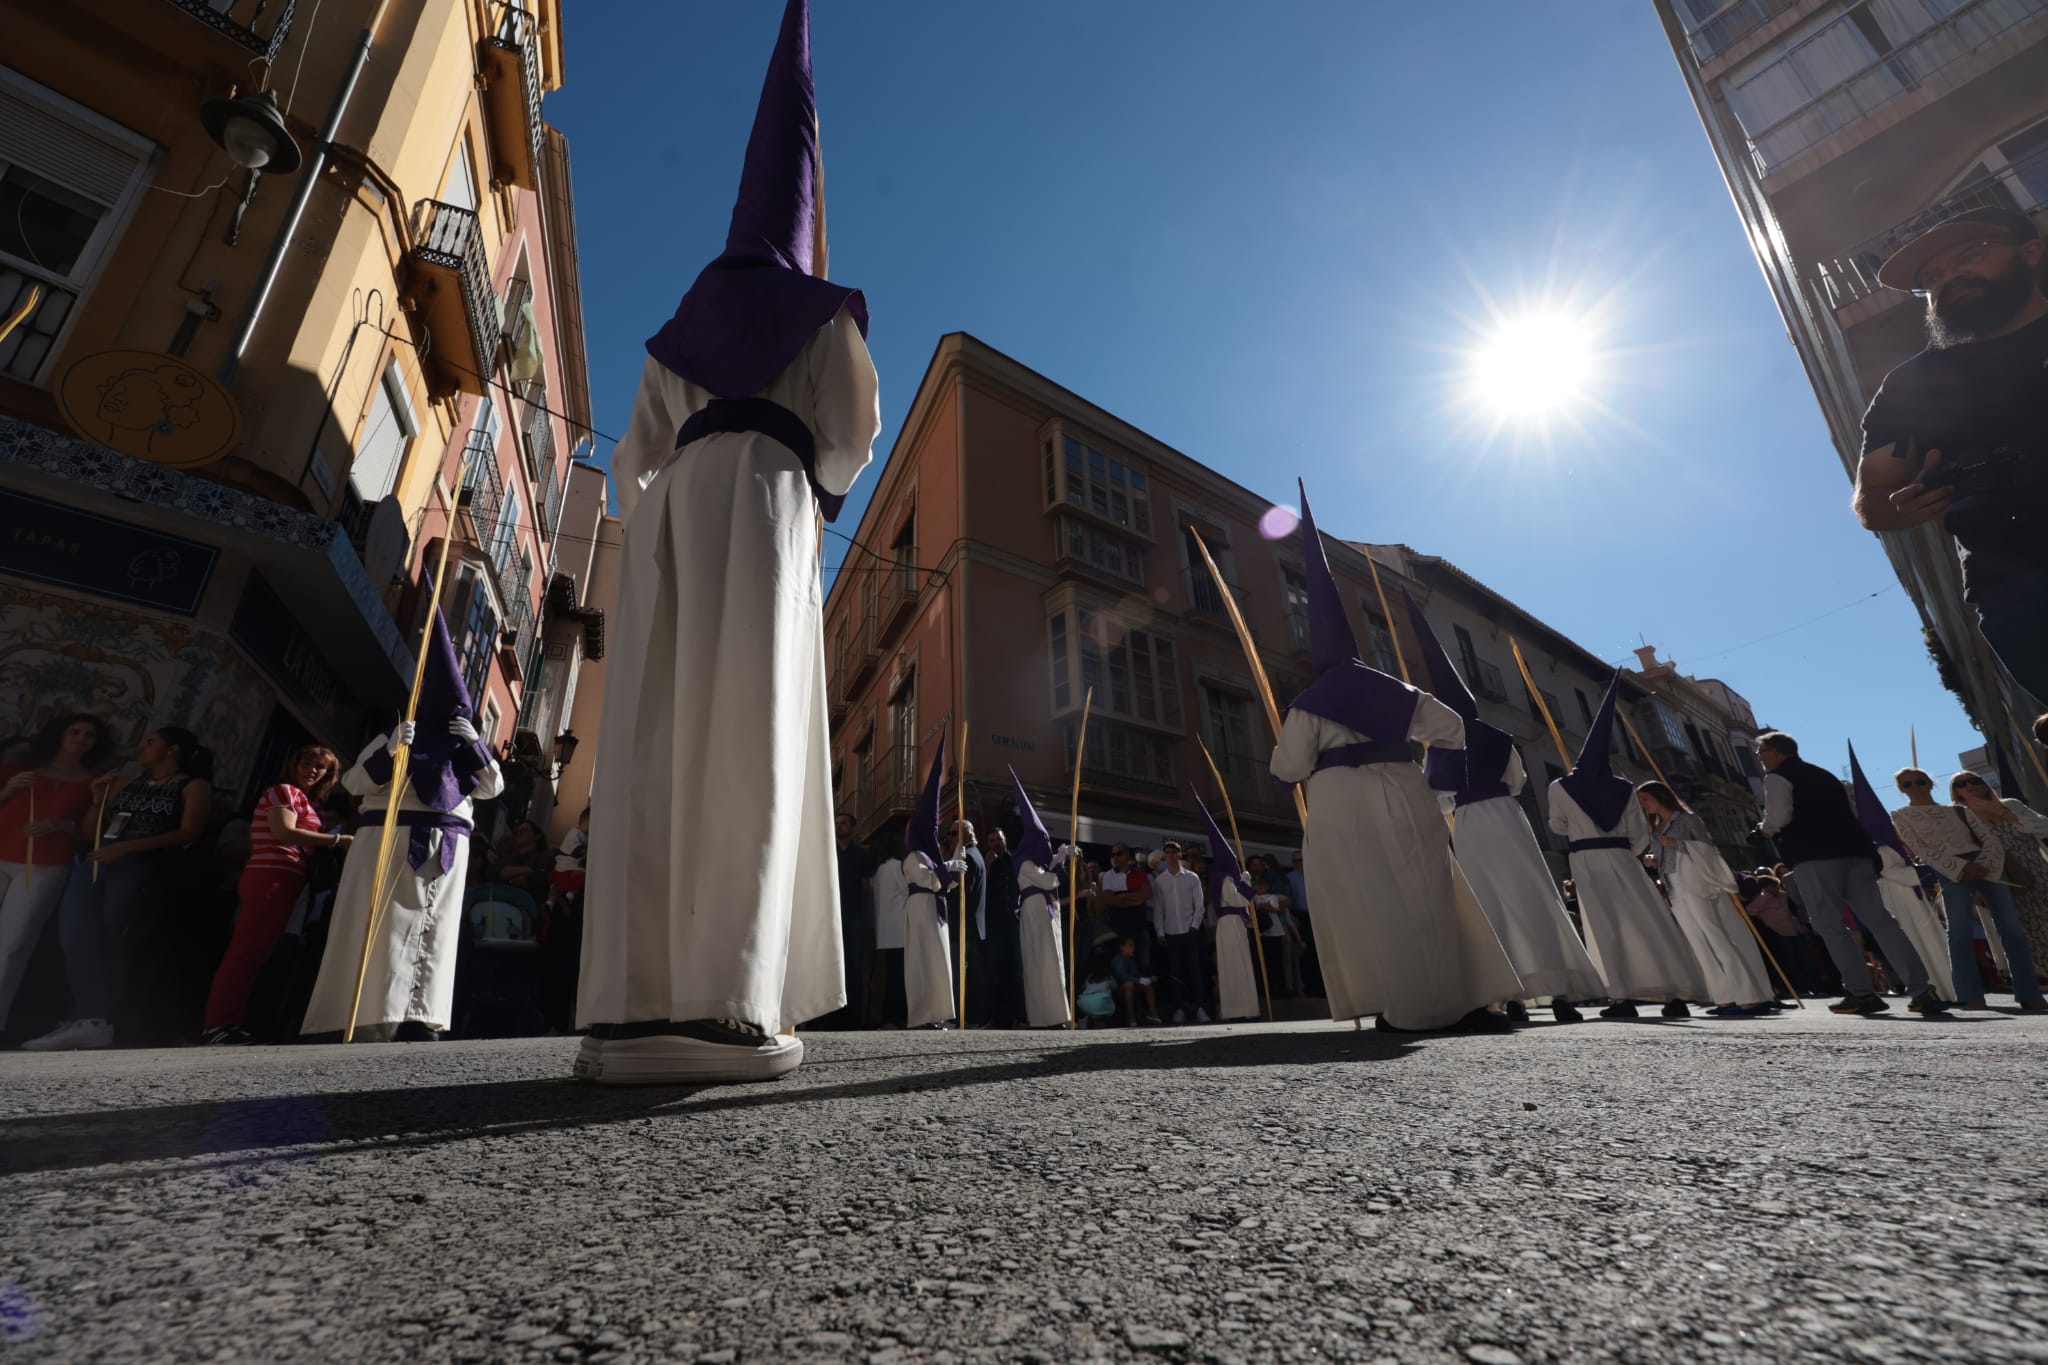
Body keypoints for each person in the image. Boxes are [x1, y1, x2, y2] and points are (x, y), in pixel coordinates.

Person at [574, 0, 879, 1085]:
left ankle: (626, 1000)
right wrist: (809, 478)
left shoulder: (678, 321)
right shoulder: (824, 311)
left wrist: (660, 508)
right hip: (766, 499)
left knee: (656, 723)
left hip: (673, 505)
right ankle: (727, 1001)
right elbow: (849, 438)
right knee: (751, 717)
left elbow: (633, 457)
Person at [1268, 483, 1519, 1033]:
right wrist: (1438, 781)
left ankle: (1392, 1001)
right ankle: (1470, 997)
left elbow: (1288, 767)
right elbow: (1452, 728)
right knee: (1429, 886)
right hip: (1404, 787)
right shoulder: (1396, 691)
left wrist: (1284, 766)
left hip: (1339, 802)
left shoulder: (1307, 705)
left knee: (1364, 899)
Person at [1851, 208, 2048, 703]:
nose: (1948, 279)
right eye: (1931, 278)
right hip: (2018, 587)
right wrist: (1891, 508)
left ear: (2030, 251)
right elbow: (1871, 496)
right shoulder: (1911, 384)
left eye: (1970, 255)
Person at [301, 612, 504, 1043]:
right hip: (389, 841)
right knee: (383, 931)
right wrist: (393, 748)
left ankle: (421, 1016)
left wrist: (473, 742)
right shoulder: (395, 737)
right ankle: (369, 1016)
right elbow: (356, 783)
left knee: (437, 932)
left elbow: (492, 787)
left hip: (446, 849)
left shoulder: (465, 752)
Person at [1405, 594, 1603, 1023]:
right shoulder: (1499, 736)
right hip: (1510, 818)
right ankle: (1562, 996)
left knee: (1491, 903)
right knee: (1535, 894)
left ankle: (1512, 995)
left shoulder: (1438, 745)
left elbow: (1433, 797)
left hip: (1471, 824)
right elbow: (1516, 781)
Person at [24, 725, 213, 1051]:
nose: (143, 747)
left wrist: (127, 849)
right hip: (99, 860)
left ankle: (96, 1019)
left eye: (151, 742)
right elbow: (87, 832)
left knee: (113, 934)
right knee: (74, 933)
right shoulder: (124, 784)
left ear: (172, 749)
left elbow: (189, 832)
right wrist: (98, 799)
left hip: (142, 864)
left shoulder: (192, 786)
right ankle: (85, 1016)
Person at [1546, 679, 1708, 1020]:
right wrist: (1623, 852)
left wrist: (1582, 831)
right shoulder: (1625, 787)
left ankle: (1621, 997)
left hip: (1585, 859)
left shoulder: (1560, 786)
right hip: (1623, 858)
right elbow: (1638, 835)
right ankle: (1674, 991)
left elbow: (1557, 827)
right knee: (1647, 919)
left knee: (1605, 926)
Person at [1758, 732, 1936, 1017]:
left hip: (1813, 855)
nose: (1760, 758)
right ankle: (1921, 988)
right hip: (1855, 852)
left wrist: (1761, 831)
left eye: (1762, 751)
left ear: (1777, 752)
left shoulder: (1777, 777)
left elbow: (1779, 818)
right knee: (1880, 920)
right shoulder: (1825, 775)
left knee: (1830, 925)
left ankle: (1861, 992)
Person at [200, 745, 347, 1044]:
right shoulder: (283, 791)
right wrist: (337, 841)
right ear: (294, 762)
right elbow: (283, 832)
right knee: (245, 952)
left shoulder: (306, 801)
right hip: (270, 876)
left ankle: (230, 1022)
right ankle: (217, 1024)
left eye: (322, 768)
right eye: (308, 762)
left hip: (288, 880)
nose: (313, 770)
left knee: (256, 954)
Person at [1890, 767, 2047, 1011]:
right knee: (1959, 931)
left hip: (1986, 865)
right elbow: (1921, 848)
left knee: (2011, 928)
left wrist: (1984, 865)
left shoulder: (1958, 810)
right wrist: (1960, 868)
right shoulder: (1901, 815)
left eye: (1920, 781)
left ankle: (2030, 992)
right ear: (1901, 790)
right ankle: (1969, 994)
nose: (1915, 787)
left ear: (1930, 783)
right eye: (1907, 784)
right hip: (1951, 870)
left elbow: (1990, 839)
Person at [0, 714, 111, 1044]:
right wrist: (7, 791)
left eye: (89, 735)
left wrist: (62, 826)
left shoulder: (93, 782)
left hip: (46, 863)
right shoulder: (17, 770)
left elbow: (92, 834)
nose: (81, 738)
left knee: (14, 944)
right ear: (59, 735)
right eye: (74, 732)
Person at [1636, 781, 1775, 1017]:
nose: (1643, 805)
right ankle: (1724, 996)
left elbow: (1709, 850)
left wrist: (1678, 844)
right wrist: (1653, 860)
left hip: (1694, 883)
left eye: (1645, 799)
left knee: (1716, 937)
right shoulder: (1657, 830)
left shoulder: (1688, 820)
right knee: (1699, 944)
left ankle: (1748, 997)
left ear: (1660, 797)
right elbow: (1664, 860)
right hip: (1674, 889)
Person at [1846, 745, 1957, 1005]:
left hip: (1910, 896)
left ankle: (1948, 987)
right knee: (1919, 941)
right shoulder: (1877, 848)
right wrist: (1925, 872)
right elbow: (1889, 871)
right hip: (1898, 898)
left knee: (1931, 940)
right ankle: (1936, 989)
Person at [1951, 768, 2048, 979]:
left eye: (1974, 780)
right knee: (2029, 935)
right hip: (2005, 884)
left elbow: (2044, 827)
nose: (1969, 785)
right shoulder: (1961, 822)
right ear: (1956, 794)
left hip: (2039, 871)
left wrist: (2004, 814)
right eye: (1961, 784)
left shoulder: (2010, 805)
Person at [1006, 767, 1074, 1029]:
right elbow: (1048, 880)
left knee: (1053, 960)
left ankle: (1056, 1014)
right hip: (1036, 911)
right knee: (1042, 962)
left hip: (1046, 910)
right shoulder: (1023, 863)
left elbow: (1049, 875)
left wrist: (1059, 856)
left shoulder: (1032, 863)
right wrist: (1061, 860)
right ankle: (1045, 1016)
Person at [901, 739, 961, 1030]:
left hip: (934, 908)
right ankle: (921, 1015)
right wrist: (946, 868)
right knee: (922, 959)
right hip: (921, 907)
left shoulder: (926, 855)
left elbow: (941, 883)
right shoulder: (913, 856)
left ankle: (936, 1013)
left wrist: (951, 873)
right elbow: (927, 879)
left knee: (937, 959)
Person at [1194, 792, 1261, 1022]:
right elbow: (1239, 900)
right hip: (1230, 923)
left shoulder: (1221, 877)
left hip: (1231, 924)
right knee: (1236, 966)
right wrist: (1246, 882)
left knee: (1238, 964)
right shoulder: (1224, 879)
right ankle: (1240, 1009)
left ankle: (1243, 1008)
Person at [1146, 841, 1208, 1024]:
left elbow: (1200, 904)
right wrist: (1160, 932)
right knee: (1175, 972)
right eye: (1168, 852)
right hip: (1171, 931)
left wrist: (1194, 926)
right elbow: (1159, 909)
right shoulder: (1160, 881)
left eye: (1174, 852)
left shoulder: (1192, 877)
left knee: (1195, 971)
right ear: (1165, 856)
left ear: (1180, 855)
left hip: (1190, 930)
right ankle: (1179, 1008)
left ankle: (1200, 1008)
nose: (1171, 855)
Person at [828, 811, 873, 1029]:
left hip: (854, 916)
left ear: (852, 828)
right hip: (831, 918)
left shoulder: (862, 855)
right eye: (837, 823)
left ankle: (853, 1016)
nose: (839, 827)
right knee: (831, 964)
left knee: (854, 966)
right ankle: (830, 1016)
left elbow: (866, 888)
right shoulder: (829, 853)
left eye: (844, 823)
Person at [979, 826, 1025, 1028]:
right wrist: (987, 867)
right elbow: (980, 892)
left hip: (1014, 923)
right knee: (991, 971)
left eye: (998, 839)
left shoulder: (1015, 861)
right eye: (991, 840)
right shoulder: (986, 863)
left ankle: (1020, 1016)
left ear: (1005, 840)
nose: (995, 843)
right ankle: (989, 1017)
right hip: (994, 926)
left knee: (1018, 970)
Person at [950, 820, 989, 1026]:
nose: (951, 839)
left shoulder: (969, 857)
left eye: (953, 833)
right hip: (974, 926)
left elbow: (964, 894)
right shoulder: (977, 855)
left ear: (965, 834)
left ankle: (960, 1017)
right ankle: (975, 1016)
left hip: (964, 925)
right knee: (973, 974)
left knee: (961, 974)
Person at [870, 830, 908, 1027]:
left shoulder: (880, 870)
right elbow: (909, 890)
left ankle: (888, 1016)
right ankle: (896, 1016)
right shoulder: (898, 867)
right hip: (899, 931)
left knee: (890, 976)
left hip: (884, 933)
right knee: (899, 978)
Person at [1110, 934, 1159, 1027]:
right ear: (1122, 947)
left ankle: (1154, 1014)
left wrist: (1147, 979)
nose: (1133, 948)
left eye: (1133, 946)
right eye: (1130, 945)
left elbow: (1136, 974)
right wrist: (1139, 980)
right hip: (1119, 988)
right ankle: (1130, 1017)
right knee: (1129, 985)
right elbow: (1122, 977)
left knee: (1147, 985)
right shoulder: (1117, 960)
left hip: (1133, 984)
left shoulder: (1131, 960)